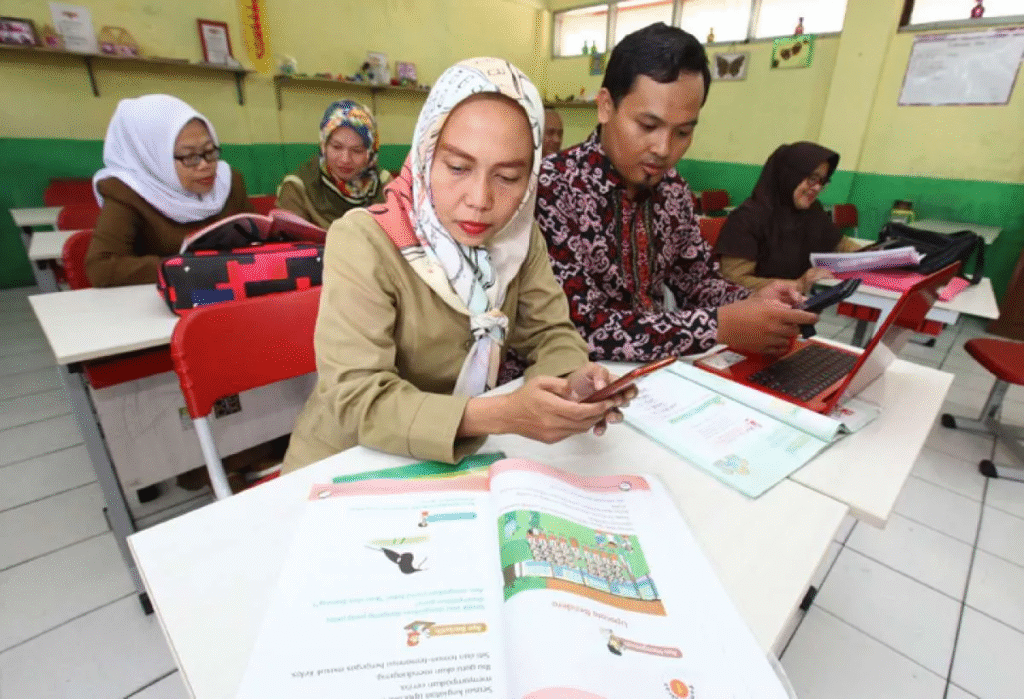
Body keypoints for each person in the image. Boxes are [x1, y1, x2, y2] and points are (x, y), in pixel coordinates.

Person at [282, 58, 629, 473]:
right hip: (348, 463)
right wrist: (503, 414)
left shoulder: (517, 237)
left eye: (508, 177)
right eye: (459, 168)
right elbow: (359, 400)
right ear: (426, 153)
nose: (480, 199)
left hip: (457, 464)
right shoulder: (364, 240)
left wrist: (571, 384)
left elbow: (551, 332)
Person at [535, 22, 817, 362]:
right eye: (648, 125)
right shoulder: (554, 186)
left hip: (657, 372)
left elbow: (697, 282)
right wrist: (716, 327)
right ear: (606, 106)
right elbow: (578, 328)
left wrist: (753, 301)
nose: (664, 149)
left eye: (682, 132)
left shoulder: (673, 191)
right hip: (571, 378)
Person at [85, 94, 253, 287]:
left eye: (210, 151)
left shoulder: (228, 181)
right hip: (163, 298)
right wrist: (189, 267)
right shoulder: (128, 193)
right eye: (189, 156)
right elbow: (102, 268)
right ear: (154, 157)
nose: (205, 165)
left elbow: (255, 238)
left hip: (234, 290)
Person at [714, 142, 863, 293]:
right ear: (789, 176)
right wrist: (797, 285)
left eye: (822, 181)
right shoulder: (746, 218)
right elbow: (734, 281)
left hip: (801, 300)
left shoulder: (813, 211)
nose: (818, 187)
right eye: (812, 178)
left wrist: (872, 256)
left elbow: (840, 245)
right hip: (758, 304)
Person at [275, 100, 391, 228]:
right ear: (324, 145)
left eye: (357, 150)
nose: (345, 159)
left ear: (371, 153)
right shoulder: (298, 187)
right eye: (336, 147)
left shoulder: (384, 185)